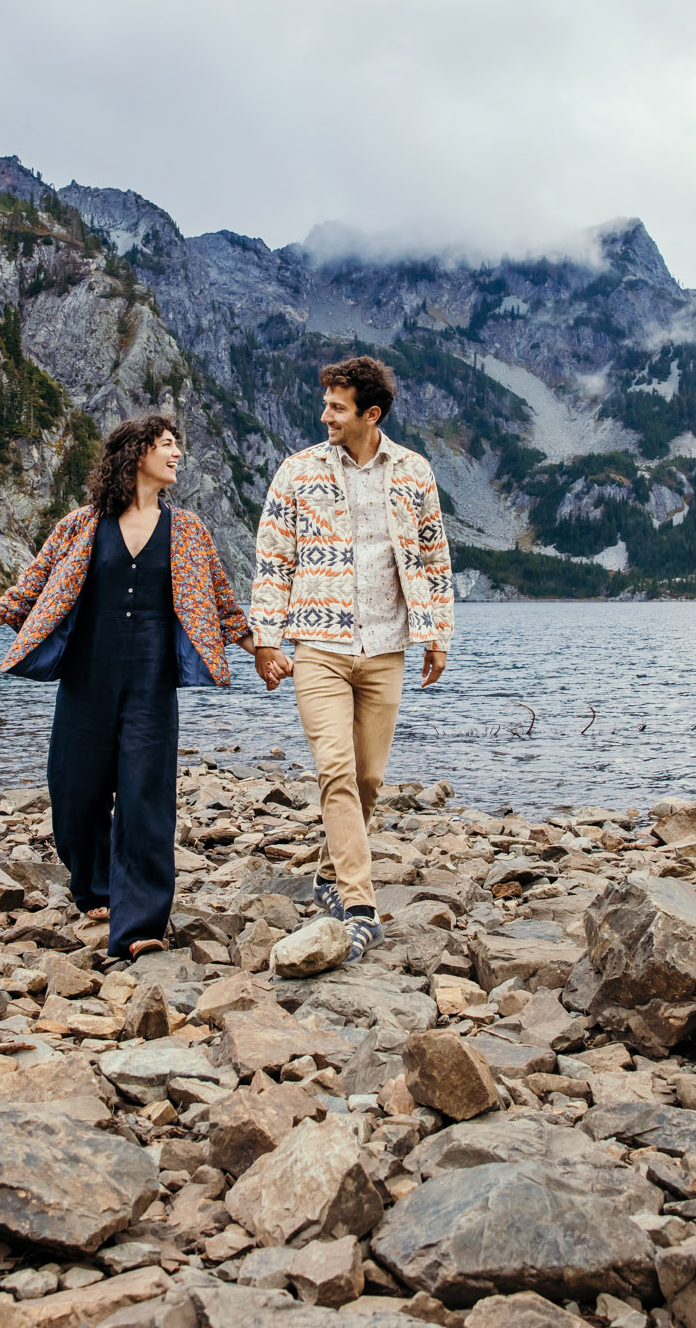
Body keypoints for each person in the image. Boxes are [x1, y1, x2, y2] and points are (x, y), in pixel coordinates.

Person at [0, 415, 259, 961]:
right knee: (75, 793)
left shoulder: (188, 531)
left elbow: (224, 603)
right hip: (85, 683)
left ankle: (140, 920)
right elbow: (32, 586)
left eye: (176, 445)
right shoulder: (81, 525)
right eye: (166, 445)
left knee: (145, 798)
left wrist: (261, 649)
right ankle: (93, 884)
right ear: (136, 452)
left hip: (152, 687)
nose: (177, 453)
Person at [250, 356, 455, 964]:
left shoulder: (415, 472)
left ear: (372, 413)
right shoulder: (297, 471)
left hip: (387, 648)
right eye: (326, 405)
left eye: (338, 407)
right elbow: (272, 557)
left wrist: (436, 632)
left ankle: (328, 869)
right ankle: (360, 906)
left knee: (367, 779)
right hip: (319, 649)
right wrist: (267, 636)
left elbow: (435, 557)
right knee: (336, 769)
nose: (326, 416)